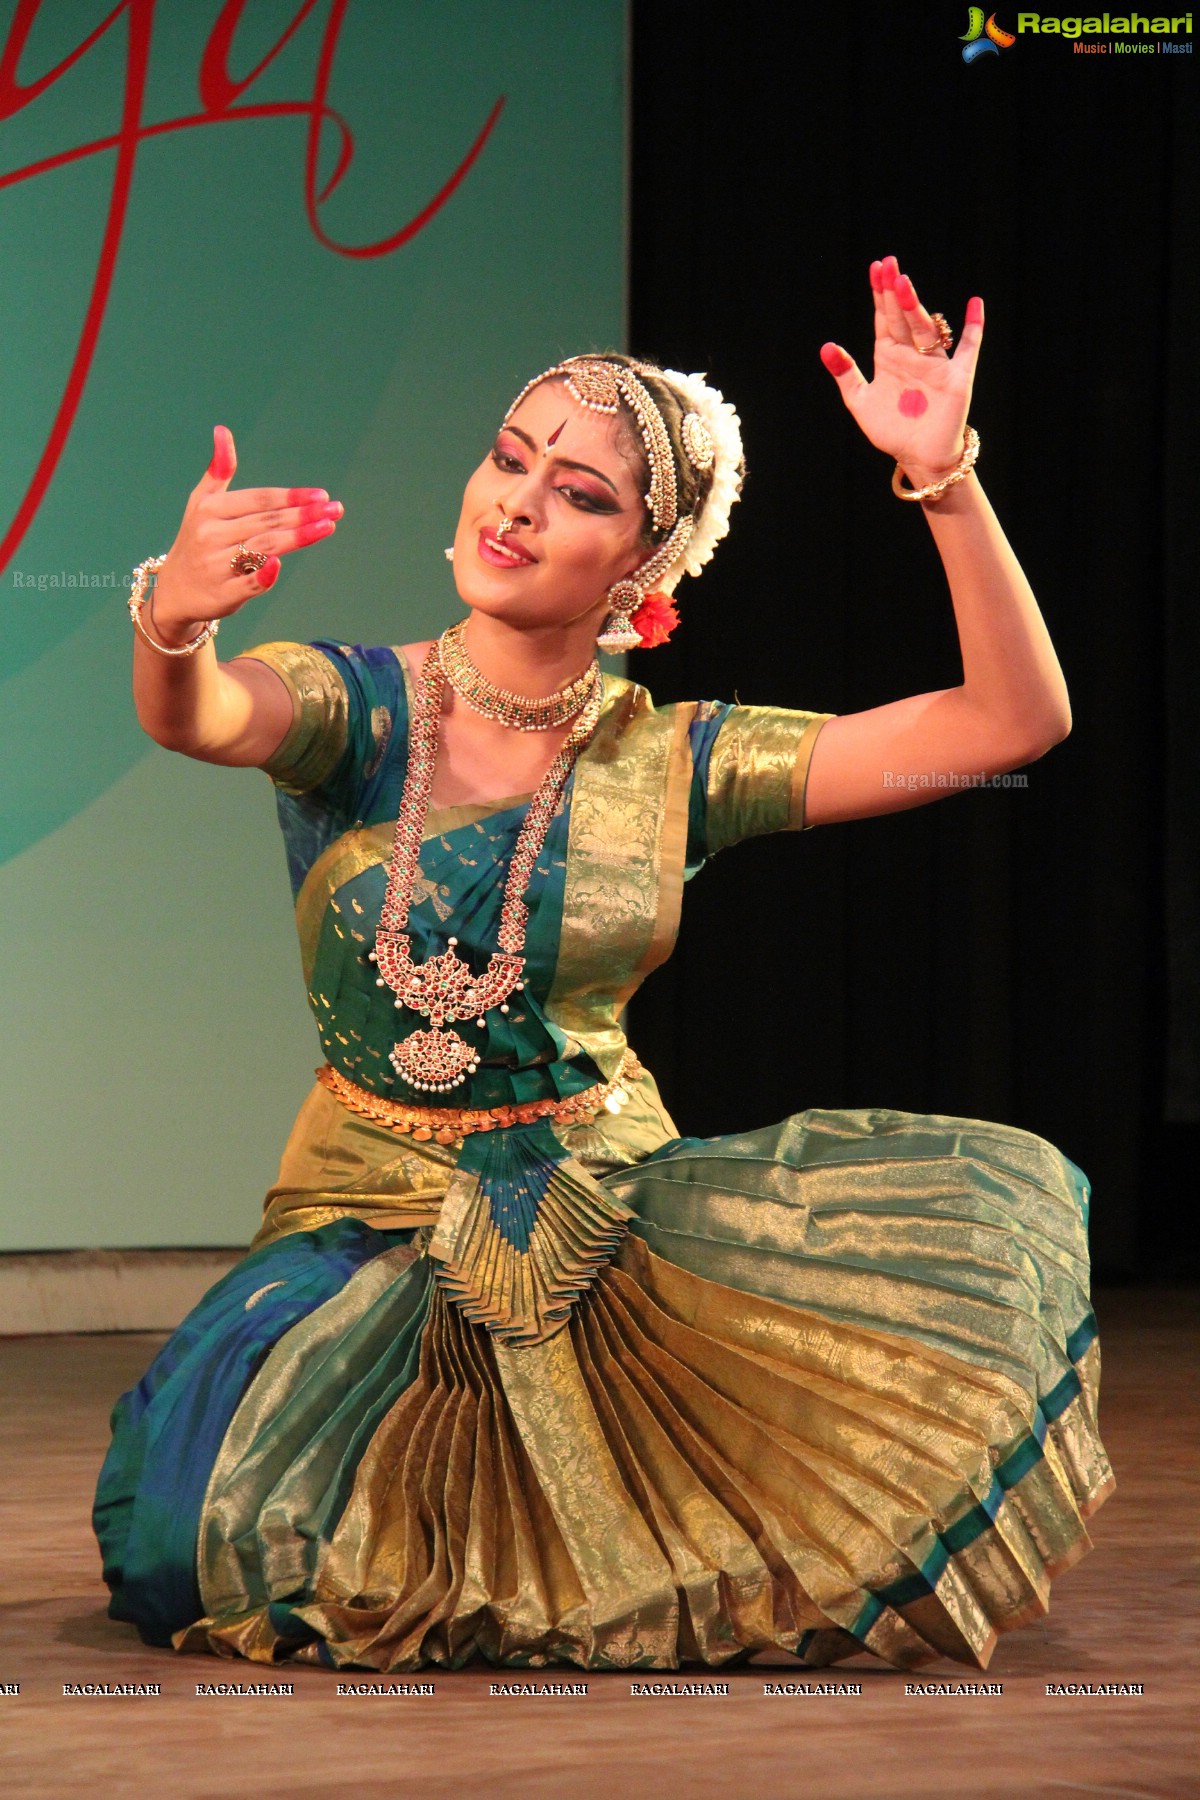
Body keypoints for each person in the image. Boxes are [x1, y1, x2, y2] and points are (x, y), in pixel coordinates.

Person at [95, 257, 1113, 1675]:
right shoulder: (355, 707)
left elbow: (1011, 721)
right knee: (199, 1520)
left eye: (579, 493)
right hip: (365, 1210)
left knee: (701, 1521)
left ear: (642, 566)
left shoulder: (677, 761)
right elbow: (196, 714)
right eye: (511, 459)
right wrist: (176, 615)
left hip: (603, 1207)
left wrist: (944, 479)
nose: (516, 501)